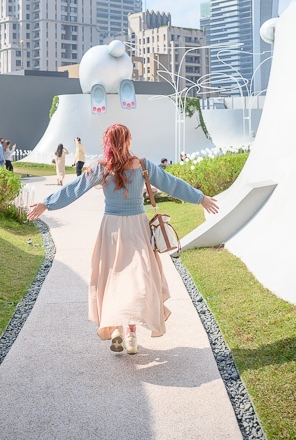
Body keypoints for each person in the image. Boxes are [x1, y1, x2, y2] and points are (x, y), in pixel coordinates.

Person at [27, 124, 218, 355]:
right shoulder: (143, 165)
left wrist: (46, 203)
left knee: (112, 280)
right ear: (128, 141)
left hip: (111, 230)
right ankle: (130, 333)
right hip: (136, 228)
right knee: (138, 281)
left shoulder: (101, 169)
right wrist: (200, 198)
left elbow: (73, 190)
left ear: (106, 143)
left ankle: (115, 328)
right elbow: (172, 184)